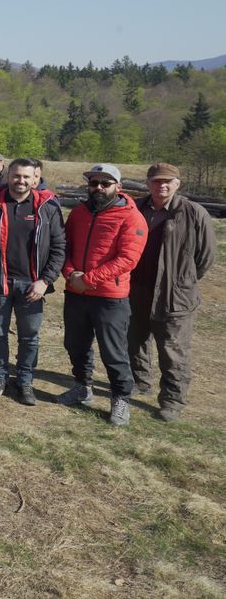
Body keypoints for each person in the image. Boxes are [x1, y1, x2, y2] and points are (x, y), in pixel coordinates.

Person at [0, 157, 65, 405]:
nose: (20, 180)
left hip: (33, 285)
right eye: (16, 175)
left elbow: (59, 247)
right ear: (8, 176)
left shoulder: (47, 207)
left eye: (26, 177)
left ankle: (25, 381)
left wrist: (45, 280)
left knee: (29, 337)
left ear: (35, 179)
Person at [57, 164, 147, 424]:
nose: (98, 187)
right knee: (75, 344)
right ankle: (82, 387)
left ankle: (120, 398)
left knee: (114, 351)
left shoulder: (131, 217)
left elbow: (128, 259)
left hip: (110, 295)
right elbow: (66, 246)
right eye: (94, 182)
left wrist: (89, 279)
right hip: (76, 292)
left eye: (104, 183)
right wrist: (72, 274)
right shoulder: (79, 213)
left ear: (118, 187)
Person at [128, 163, 216, 422]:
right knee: (135, 340)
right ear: (148, 184)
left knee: (173, 350)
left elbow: (206, 256)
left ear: (178, 184)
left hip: (174, 294)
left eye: (168, 181)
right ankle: (140, 381)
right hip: (136, 288)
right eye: (156, 181)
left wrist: (182, 281)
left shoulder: (192, 212)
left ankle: (172, 399)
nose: (161, 185)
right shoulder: (135, 207)